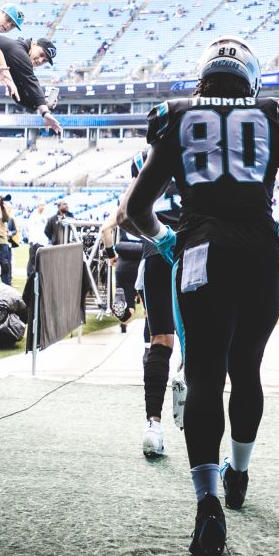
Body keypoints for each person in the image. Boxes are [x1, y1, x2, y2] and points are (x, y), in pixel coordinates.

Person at [124, 35, 279, 556]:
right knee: (248, 369)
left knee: (206, 375)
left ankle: (208, 501)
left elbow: (137, 208)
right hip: (259, 251)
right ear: (251, 80)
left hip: (200, 250)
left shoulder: (177, 116)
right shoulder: (272, 114)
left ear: (203, 78)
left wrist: (166, 240)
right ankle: (238, 471)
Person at [103, 149, 184, 458]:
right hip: (193, 249)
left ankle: (153, 426)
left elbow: (120, 217)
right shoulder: (188, 153)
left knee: (159, 339)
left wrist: (153, 236)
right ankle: (186, 379)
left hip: (155, 254)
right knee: (200, 338)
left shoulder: (144, 164)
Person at [0, 34, 63, 131]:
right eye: (41, 54)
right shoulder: (19, 50)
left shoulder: (17, 62)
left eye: (44, 61)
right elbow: (30, 80)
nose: (40, 61)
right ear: (33, 44)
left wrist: (44, 102)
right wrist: (45, 112)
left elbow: (19, 95)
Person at [0, 194, 14, 285]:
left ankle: (7, 287)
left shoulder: (4, 208)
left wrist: (1, 206)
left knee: (5, 266)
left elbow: (6, 218)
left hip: (2, 241)